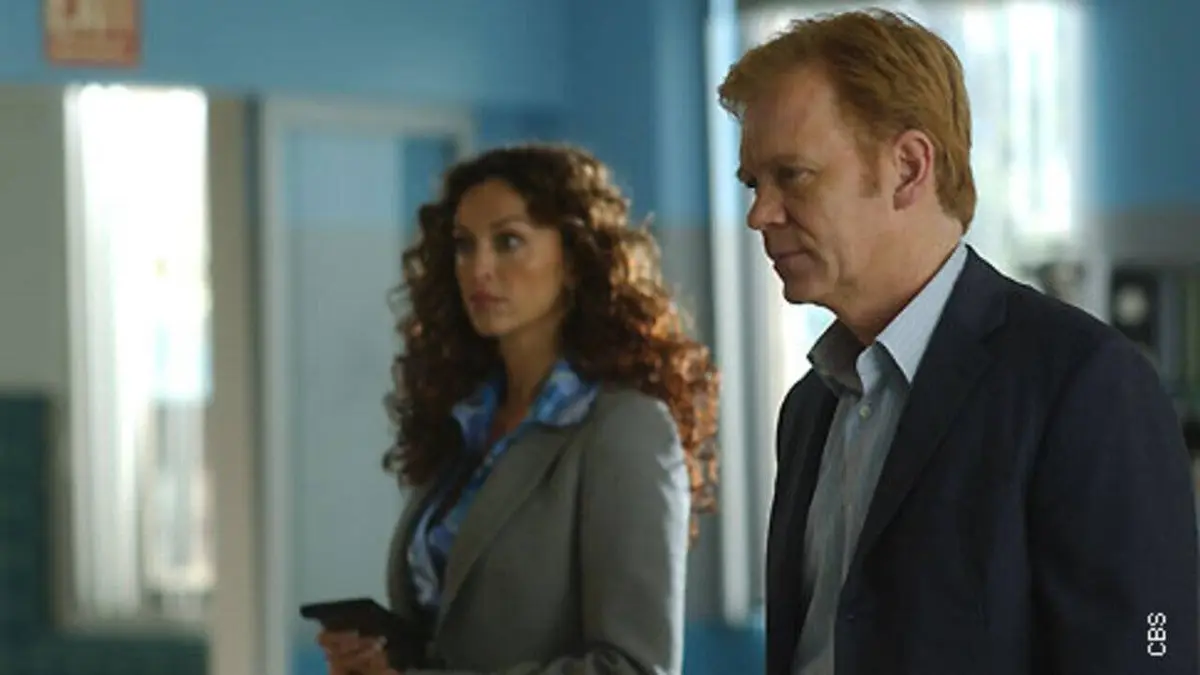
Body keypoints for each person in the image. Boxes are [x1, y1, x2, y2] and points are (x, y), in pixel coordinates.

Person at [718, 9, 1198, 675]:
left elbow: (1155, 642)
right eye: (753, 183)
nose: (759, 214)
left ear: (909, 168)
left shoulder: (1083, 383)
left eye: (792, 174)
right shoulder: (809, 407)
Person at [315, 144, 720, 675]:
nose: (478, 269)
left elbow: (634, 668)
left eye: (508, 242)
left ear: (572, 259)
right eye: (464, 246)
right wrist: (389, 659)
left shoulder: (624, 429)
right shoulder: (464, 420)